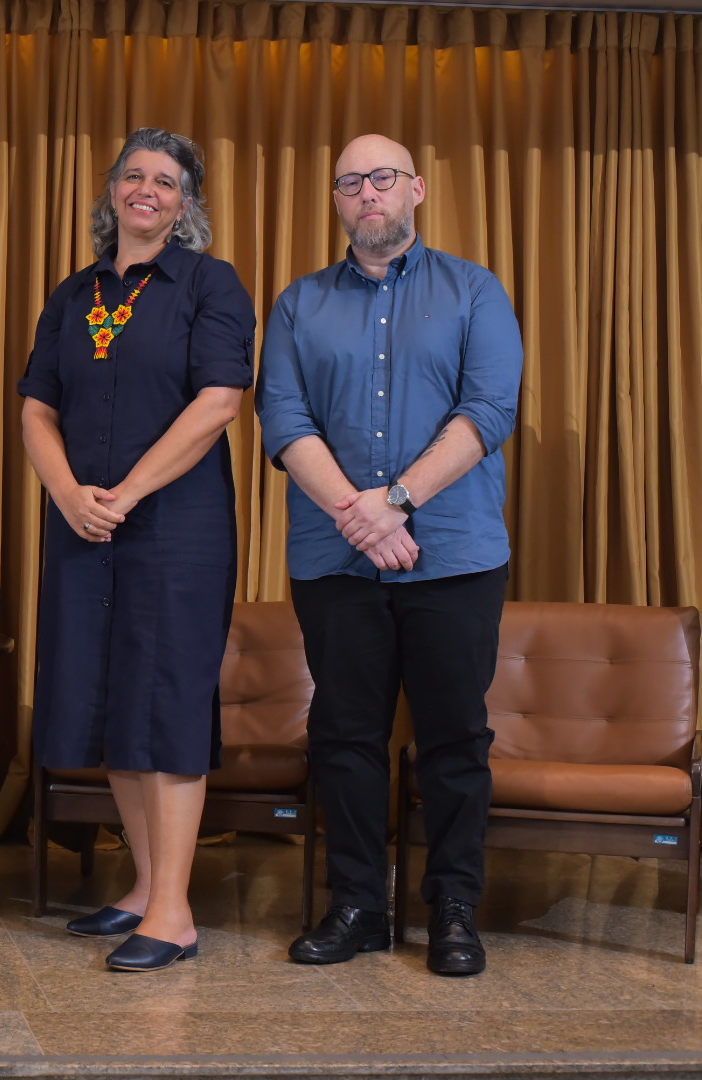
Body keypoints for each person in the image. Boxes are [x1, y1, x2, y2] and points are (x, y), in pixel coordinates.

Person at [256, 134, 522, 976]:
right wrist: (358, 515)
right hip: (335, 562)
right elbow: (284, 420)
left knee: (454, 738)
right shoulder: (299, 304)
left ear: (416, 190)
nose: (367, 193)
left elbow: (489, 409)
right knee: (344, 737)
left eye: (382, 178)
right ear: (337, 201)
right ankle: (359, 907)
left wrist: (396, 501)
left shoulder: (475, 290)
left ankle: (453, 910)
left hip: (456, 556)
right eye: (350, 182)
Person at [18, 128, 256, 973]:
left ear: (185, 203)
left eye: (165, 180)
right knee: (111, 699)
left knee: (166, 705)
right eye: (134, 175)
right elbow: (36, 409)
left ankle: (174, 913)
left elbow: (219, 402)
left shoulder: (210, 283)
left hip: (174, 531)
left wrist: (126, 493)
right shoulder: (74, 293)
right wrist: (67, 492)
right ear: (113, 190)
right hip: (82, 526)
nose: (146, 189)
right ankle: (146, 887)